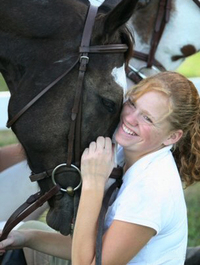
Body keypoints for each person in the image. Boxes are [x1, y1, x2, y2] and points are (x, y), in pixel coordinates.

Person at [0, 71, 200, 265]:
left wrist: (93, 184)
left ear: (172, 137)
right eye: (132, 103)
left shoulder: (152, 190)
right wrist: (25, 238)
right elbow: (92, 247)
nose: (130, 118)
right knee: (28, 230)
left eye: (147, 118)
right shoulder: (125, 153)